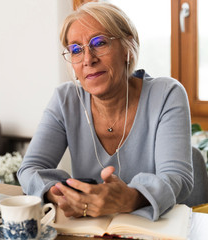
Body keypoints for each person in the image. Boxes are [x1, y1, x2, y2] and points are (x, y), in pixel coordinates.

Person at [17, 2, 193, 221]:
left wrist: (131, 197)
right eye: (76, 50)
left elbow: (178, 178)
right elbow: (30, 169)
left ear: (128, 48)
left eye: (99, 43)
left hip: (159, 228)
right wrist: (61, 196)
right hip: (91, 229)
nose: (88, 59)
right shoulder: (65, 99)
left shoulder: (166, 93)